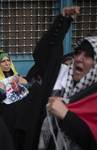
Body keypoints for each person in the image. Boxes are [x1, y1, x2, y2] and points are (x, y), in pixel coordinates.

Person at [21, 6, 97, 150]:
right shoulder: (61, 78)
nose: (79, 59)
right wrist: (62, 21)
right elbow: (44, 51)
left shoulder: (93, 96)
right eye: (78, 53)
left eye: (88, 56)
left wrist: (67, 116)